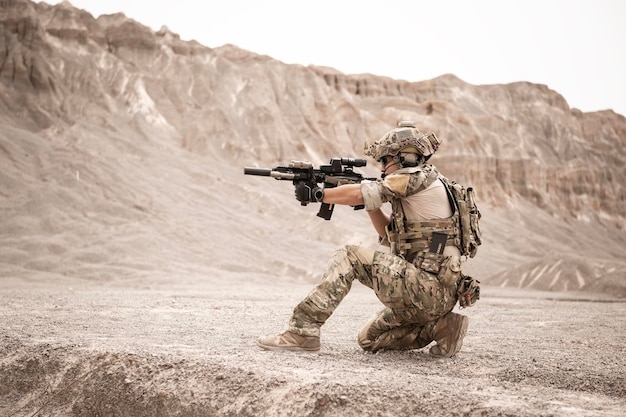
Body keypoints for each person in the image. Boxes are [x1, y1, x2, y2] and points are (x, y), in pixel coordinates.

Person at [257, 121, 472, 358]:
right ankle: (441, 327)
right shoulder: (431, 183)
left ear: (405, 158)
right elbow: (389, 235)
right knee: (369, 340)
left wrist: (318, 194)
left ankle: (302, 332)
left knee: (350, 255)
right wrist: (371, 205)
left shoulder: (415, 177)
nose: (381, 168)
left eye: (385, 160)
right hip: (435, 295)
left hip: (427, 288)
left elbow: (362, 192)